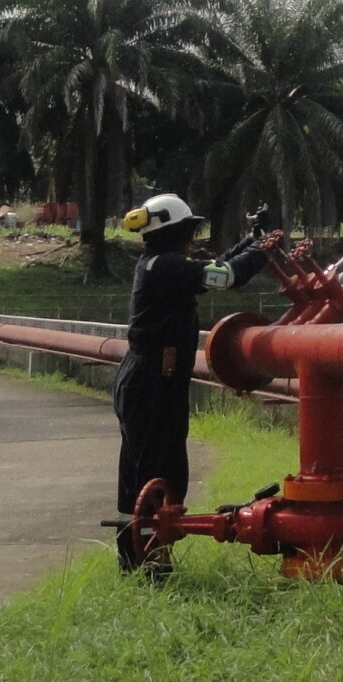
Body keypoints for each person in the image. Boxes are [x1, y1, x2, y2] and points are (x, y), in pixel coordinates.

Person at [111, 194, 276, 573]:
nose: (191, 239)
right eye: (187, 231)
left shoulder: (160, 264)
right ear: (173, 233)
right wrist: (262, 252)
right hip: (152, 381)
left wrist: (251, 242)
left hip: (147, 377)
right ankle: (146, 561)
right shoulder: (167, 266)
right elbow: (226, 276)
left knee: (145, 469)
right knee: (155, 469)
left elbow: (213, 268)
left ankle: (141, 557)